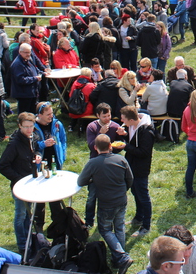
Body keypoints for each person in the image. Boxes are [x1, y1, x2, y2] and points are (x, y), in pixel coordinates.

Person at [77, 134, 134, 274]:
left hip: (106, 203)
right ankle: (117, 259)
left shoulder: (93, 163)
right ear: (110, 146)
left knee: (105, 230)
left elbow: (81, 181)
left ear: (95, 148)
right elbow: (130, 179)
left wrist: (93, 180)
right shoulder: (121, 159)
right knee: (119, 227)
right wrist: (123, 190)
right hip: (121, 200)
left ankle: (122, 256)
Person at [0, 112, 41, 252]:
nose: (29, 129)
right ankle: (22, 246)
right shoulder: (14, 144)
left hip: (32, 182)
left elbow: (37, 149)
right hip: (20, 186)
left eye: (31, 126)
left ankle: (28, 240)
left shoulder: (33, 137)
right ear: (19, 126)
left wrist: (37, 155)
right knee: (20, 215)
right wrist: (18, 179)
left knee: (28, 214)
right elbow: (3, 166)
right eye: (26, 127)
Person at [116, 105, 155, 238]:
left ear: (131, 120)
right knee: (135, 192)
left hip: (141, 168)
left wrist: (126, 146)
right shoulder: (132, 127)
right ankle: (138, 217)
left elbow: (144, 152)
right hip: (132, 165)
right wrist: (125, 136)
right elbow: (134, 142)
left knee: (143, 196)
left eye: (123, 119)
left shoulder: (147, 132)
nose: (122, 121)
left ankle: (146, 226)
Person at [84, 103, 122, 226]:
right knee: (92, 196)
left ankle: (106, 220)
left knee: (108, 196)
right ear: (98, 116)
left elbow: (119, 145)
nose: (107, 119)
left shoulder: (115, 126)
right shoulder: (92, 127)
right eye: (104, 116)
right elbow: (91, 146)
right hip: (96, 164)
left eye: (109, 116)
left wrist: (123, 136)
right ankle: (89, 221)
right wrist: (100, 133)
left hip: (110, 164)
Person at [33, 101, 67, 230]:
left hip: (54, 164)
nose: (51, 116)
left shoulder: (57, 124)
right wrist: (43, 144)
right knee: (39, 197)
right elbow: (31, 145)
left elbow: (63, 140)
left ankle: (57, 224)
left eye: (51, 113)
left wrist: (62, 155)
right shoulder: (34, 127)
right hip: (40, 165)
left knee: (55, 196)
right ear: (39, 115)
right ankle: (38, 225)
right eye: (48, 114)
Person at [10, 43, 45, 114]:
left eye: (29, 52)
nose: (28, 54)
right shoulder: (18, 64)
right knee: (25, 114)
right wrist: (35, 78)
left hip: (32, 92)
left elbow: (34, 69)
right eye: (26, 52)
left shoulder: (27, 60)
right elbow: (21, 80)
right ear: (20, 52)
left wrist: (43, 73)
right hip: (24, 94)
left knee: (32, 112)